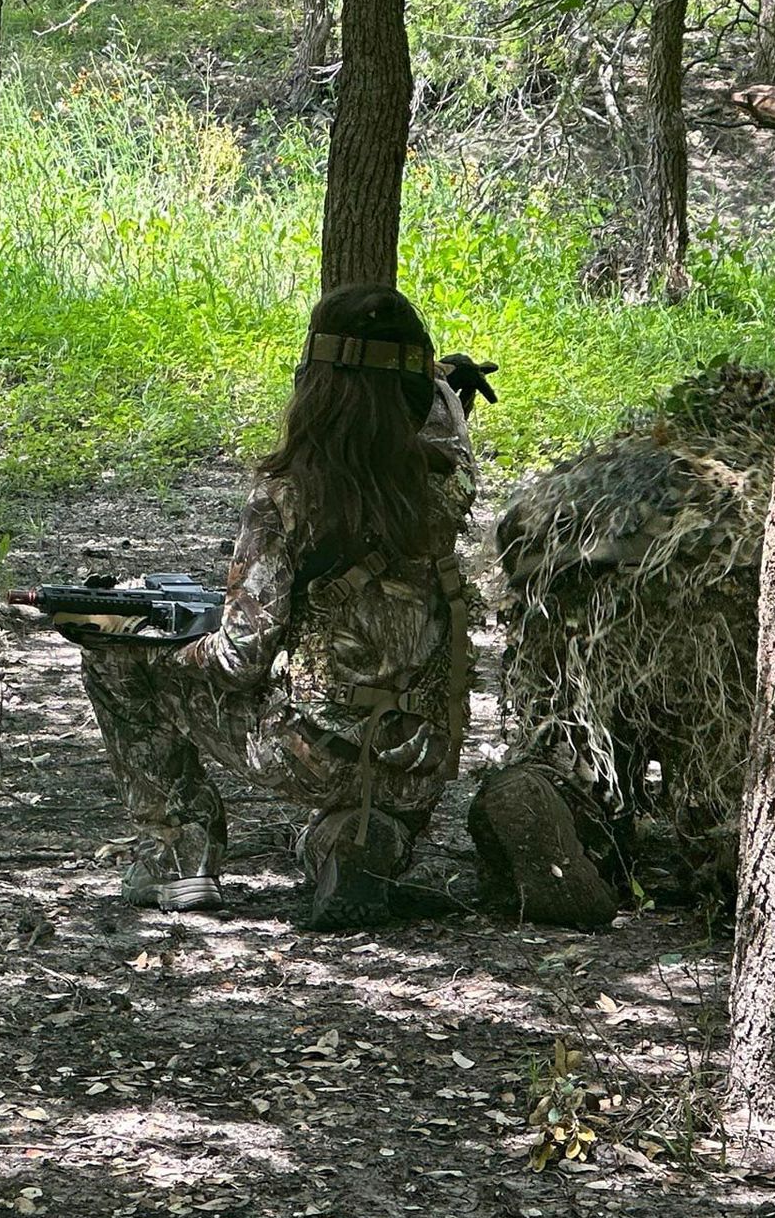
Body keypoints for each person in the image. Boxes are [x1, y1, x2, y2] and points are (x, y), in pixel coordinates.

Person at [71, 285, 497, 929]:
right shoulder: (450, 479)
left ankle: (176, 856)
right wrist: (439, 385)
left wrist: (152, 635)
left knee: (115, 657)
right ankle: (361, 840)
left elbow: (238, 660)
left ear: (315, 385)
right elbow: (446, 426)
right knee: (373, 803)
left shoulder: (286, 494)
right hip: (418, 757)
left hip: (314, 751)